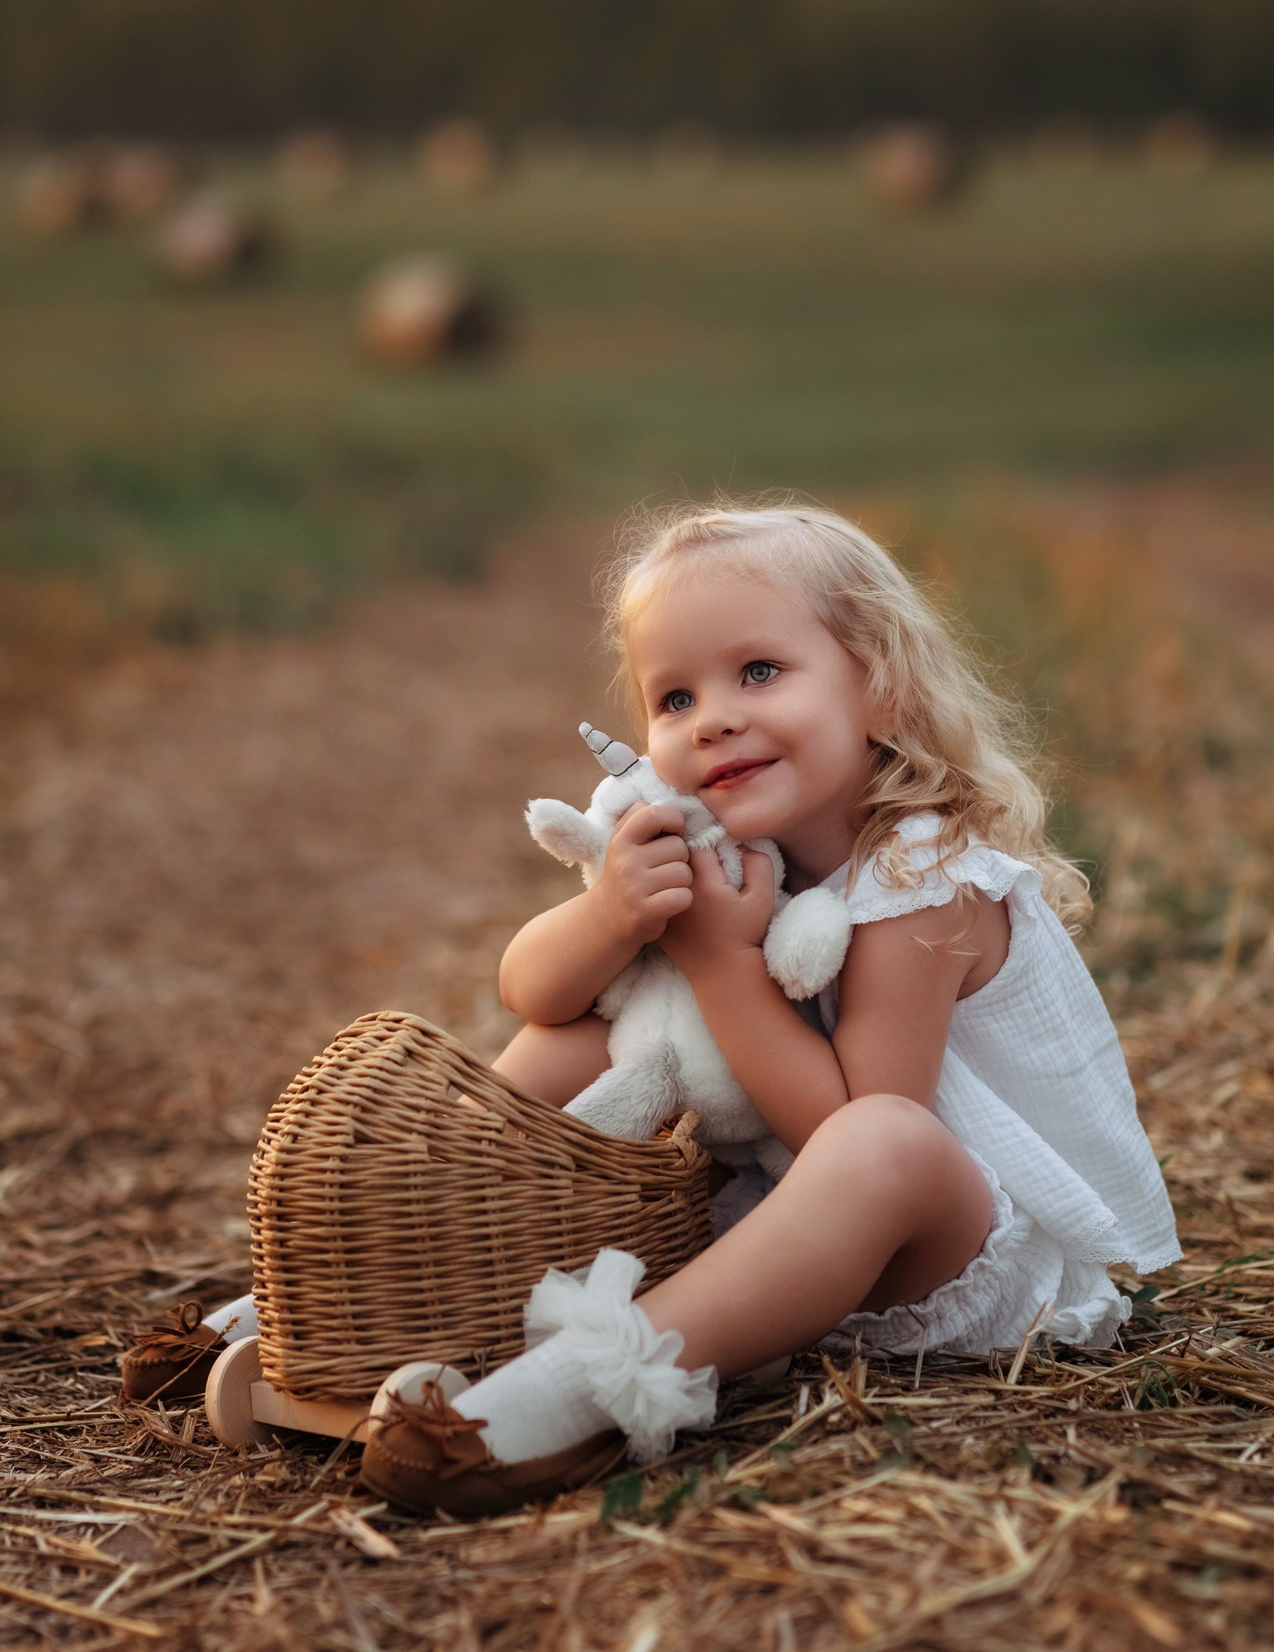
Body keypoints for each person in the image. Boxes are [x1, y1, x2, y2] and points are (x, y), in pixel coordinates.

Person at [120, 499, 1179, 1517]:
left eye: (758, 671)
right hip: (769, 1226)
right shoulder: (710, 846)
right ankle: (380, 1269)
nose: (711, 718)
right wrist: (617, 918)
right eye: (671, 699)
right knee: (576, 1032)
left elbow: (844, 1131)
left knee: (883, 1142)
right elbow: (530, 992)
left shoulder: (924, 877)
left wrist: (717, 962)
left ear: (881, 692)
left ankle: (584, 1387)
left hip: (945, 1254)